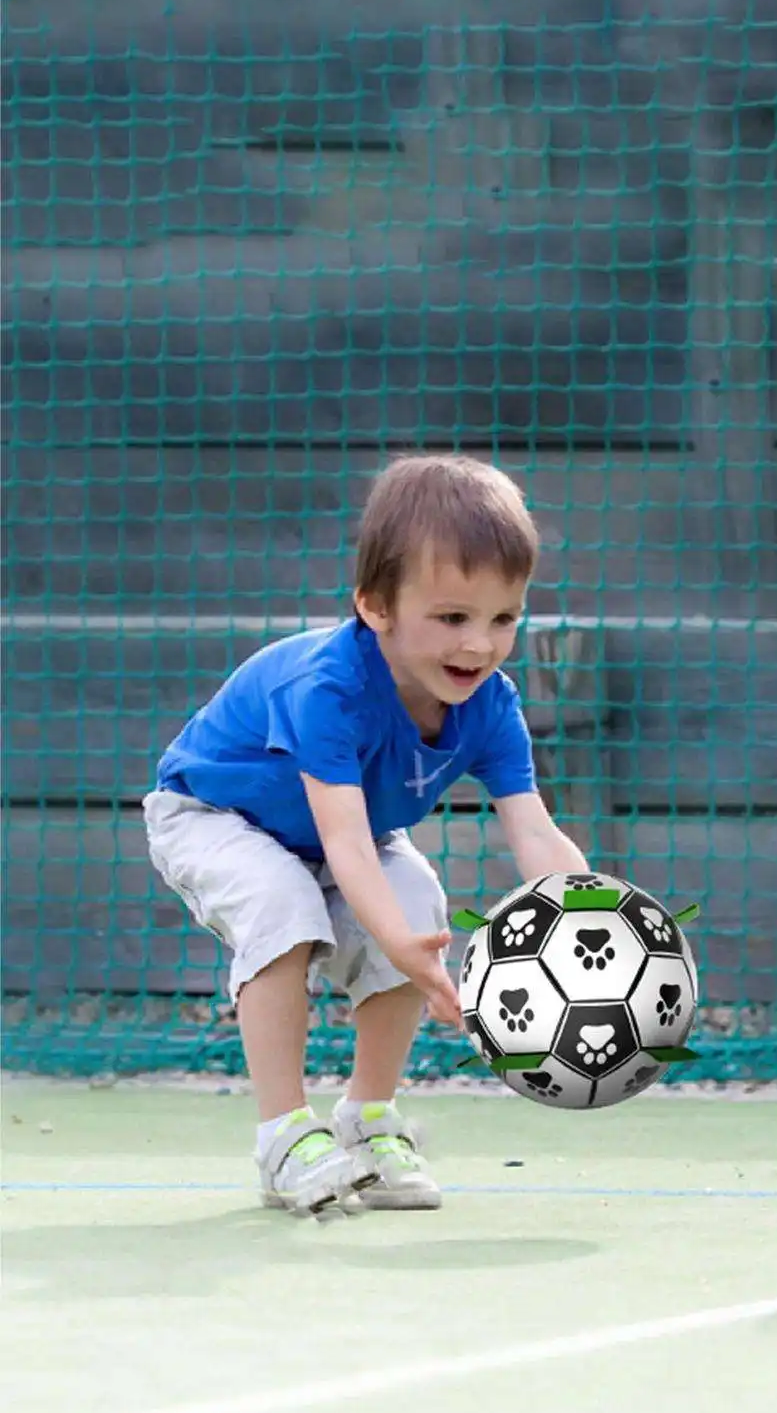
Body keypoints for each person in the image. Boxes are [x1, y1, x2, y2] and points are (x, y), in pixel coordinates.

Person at [143, 453, 590, 1216]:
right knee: (285, 907)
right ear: (376, 606)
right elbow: (346, 844)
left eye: (502, 618)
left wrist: (591, 916)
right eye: (452, 617)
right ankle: (284, 1138)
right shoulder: (329, 689)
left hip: (334, 837)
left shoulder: (491, 703)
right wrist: (404, 952)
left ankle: (368, 1122)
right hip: (215, 817)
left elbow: (534, 828)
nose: (478, 645)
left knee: (415, 903)